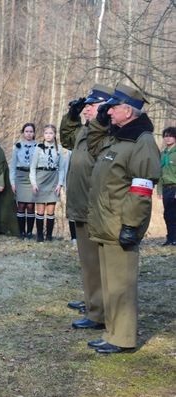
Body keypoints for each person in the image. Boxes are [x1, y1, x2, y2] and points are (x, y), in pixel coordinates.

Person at [87, 84, 160, 354]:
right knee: (111, 284)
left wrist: (131, 225)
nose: (110, 111)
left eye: (114, 107)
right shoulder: (118, 137)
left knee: (122, 286)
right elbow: (93, 146)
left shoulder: (142, 142)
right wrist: (100, 120)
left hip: (121, 226)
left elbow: (141, 190)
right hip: (107, 224)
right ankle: (113, 332)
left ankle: (124, 337)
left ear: (128, 110)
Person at [60, 84, 112, 327]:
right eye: (86, 105)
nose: (87, 109)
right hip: (82, 206)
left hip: (94, 208)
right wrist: (72, 115)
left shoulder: (106, 133)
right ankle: (93, 302)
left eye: (92, 105)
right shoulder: (86, 130)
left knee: (95, 263)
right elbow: (67, 137)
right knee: (88, 262)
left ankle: (98, 311)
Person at [29, 124, 66, 242]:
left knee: (51, 210)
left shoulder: (58, 148)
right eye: (46, 133)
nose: (48, 135)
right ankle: (40, 235)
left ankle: (49, 236)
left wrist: (60, 184)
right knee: (40, 210)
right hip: (41, 178)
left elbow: (61, 168)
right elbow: (32, 167)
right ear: (43, 135)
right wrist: (34, 183)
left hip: (53, 179)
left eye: (51, 133)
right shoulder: (38, 147)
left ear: (55, 135)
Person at [10, 123, 37, 239]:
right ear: (23, 132)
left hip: (32, 176)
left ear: (34, 133)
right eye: (26, 131)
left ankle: (30, 232)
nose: (29, 134)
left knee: (31, 205)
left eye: (31, 131)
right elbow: (13, 165)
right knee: (21, 205)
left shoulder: (39, 146)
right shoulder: (17, 146)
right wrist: (12, 182)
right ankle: (21, 232)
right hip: (20, 176)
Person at [158, 126, 176, 246]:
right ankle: (170, 239)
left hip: (175, 187)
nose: (167, 138)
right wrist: (159, 191)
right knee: (167, 215)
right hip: (166, 189)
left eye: (170, 136)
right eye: (165, 136)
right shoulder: (162, 154)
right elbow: (159, 173)